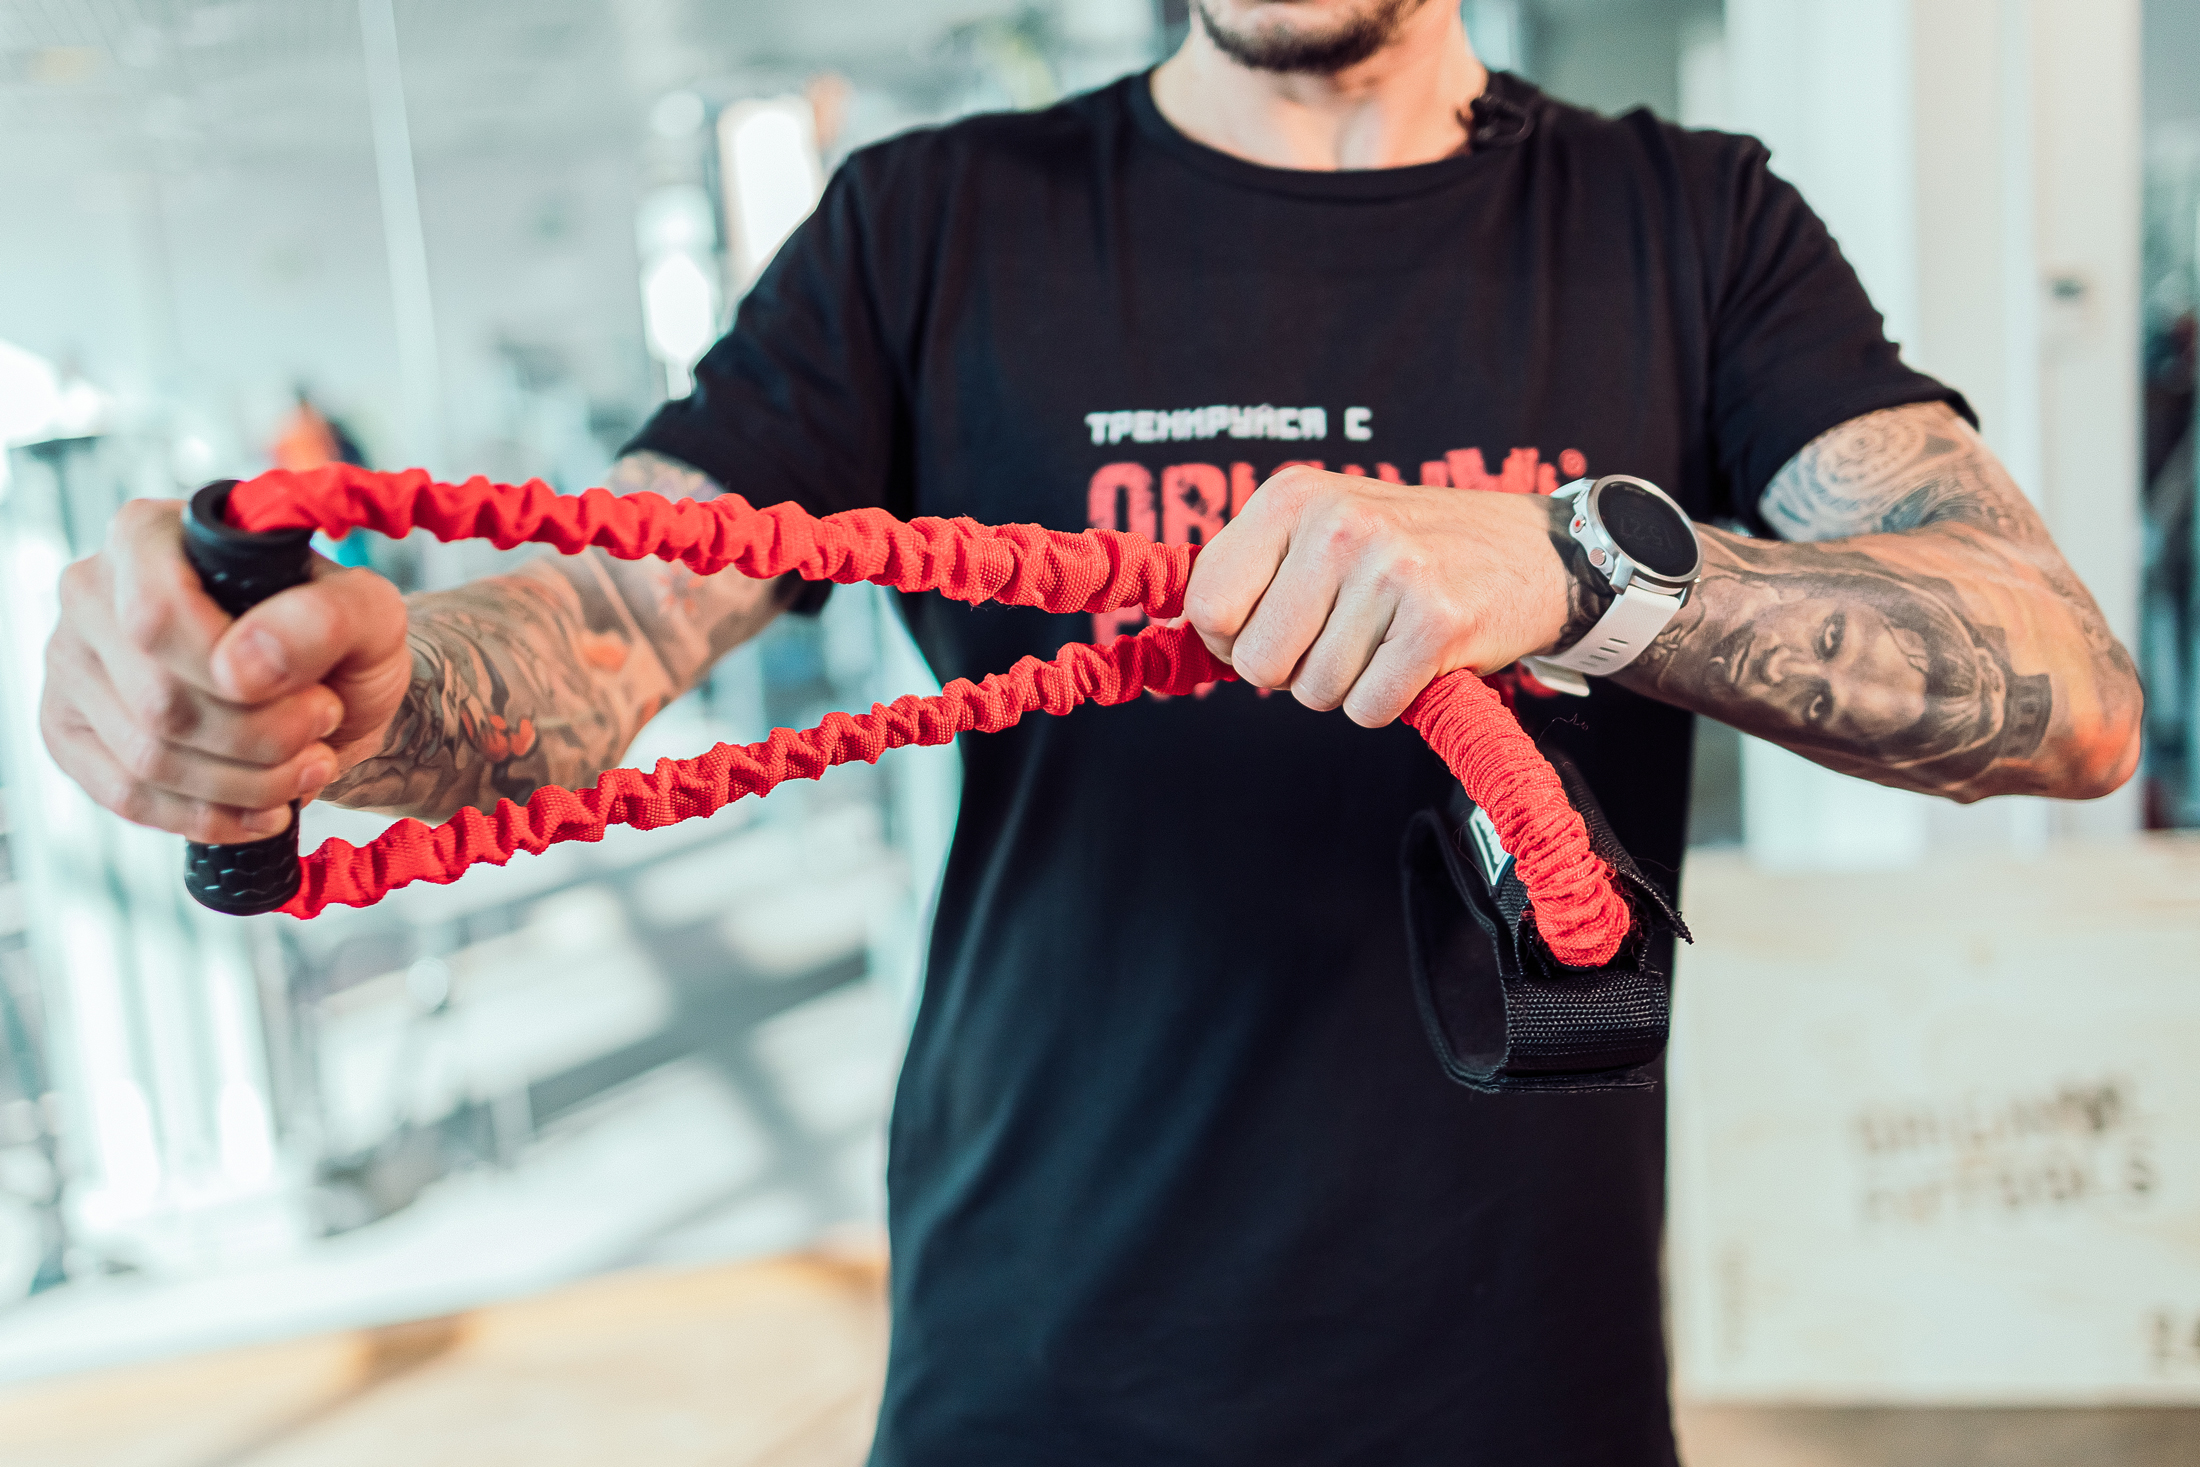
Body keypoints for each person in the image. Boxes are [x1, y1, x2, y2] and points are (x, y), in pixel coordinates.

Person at [42, 2, 2140, 1461]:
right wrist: (343, 691)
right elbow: (598, 627)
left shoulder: (1688, 219)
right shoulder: (932, 221)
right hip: (1040, 1367)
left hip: (1515, 1379)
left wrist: (1574, 567)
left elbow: (2062, 684)